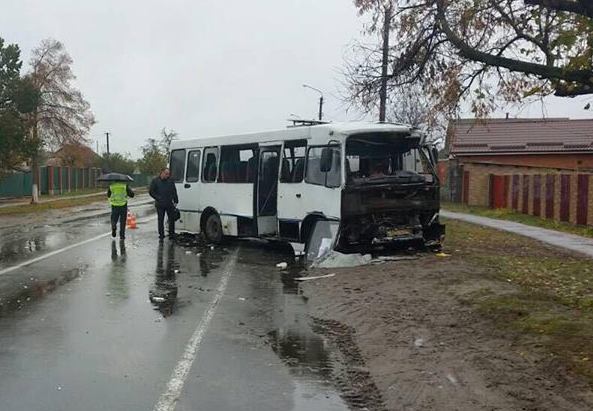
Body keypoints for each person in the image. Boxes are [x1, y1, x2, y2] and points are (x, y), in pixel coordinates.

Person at [149, 168, 179, 240]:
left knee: (171, 219)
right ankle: (161, 235)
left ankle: (171, 234)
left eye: (168, 174)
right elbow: (151, 192)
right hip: (160, 204)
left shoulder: (170, 181)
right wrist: (158, 198)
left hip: (169, 203)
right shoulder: (155, 181)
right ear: (162, 173)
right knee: (161, 220)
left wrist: (176, 200)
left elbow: (174, 191)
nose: (167, 175)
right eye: (166, 174)